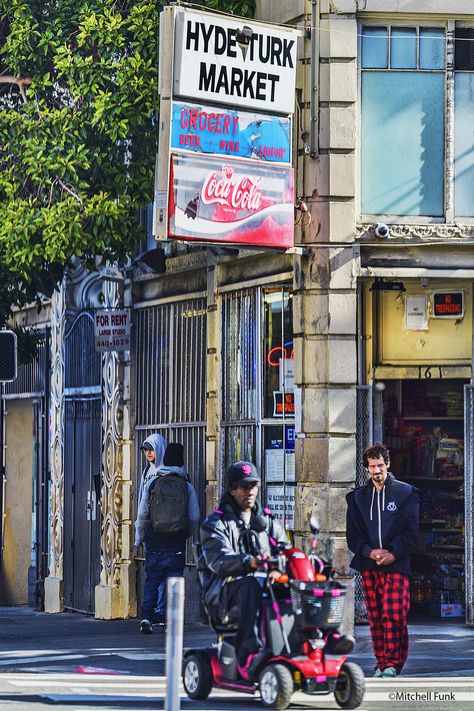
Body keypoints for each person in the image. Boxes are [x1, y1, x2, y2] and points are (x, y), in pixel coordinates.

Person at [199, 461, 288, 681]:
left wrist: (279, 568)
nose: (250, 492)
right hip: (224, 593)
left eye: (254, 486)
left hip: (263, 584)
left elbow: (284, 548)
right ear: (231, 488)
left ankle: (302, 645)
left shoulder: (267, 519)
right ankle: (247, 654)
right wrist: (250, 563)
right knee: (252, 583)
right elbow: (218, 560)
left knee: (295, 585)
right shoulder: (215, 523)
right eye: (244, 486)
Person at [346, 443, 420, 678]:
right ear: (366, 469)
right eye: (372, 466)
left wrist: (392, 553)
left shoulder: (406, 493)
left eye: (380, 465)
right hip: (370, 565)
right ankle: (382, 662)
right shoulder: (357, 498)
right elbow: (353, 537)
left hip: (397, 564)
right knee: (376, 616)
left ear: (387, 464)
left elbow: (412, 533)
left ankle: (393, 663)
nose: (377, 470)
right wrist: (370, 552)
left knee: (394, 612)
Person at [134, 442, 199, 634]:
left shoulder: (154, 482)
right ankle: (170, 619)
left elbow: (142, 513)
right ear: (181, 461)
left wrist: (139, 539)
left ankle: (146, 616)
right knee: (174, 581)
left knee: (152, 579)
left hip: (154, 540)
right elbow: (194, 516)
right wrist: (193, 538)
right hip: (176, 541)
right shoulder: (186, 485)